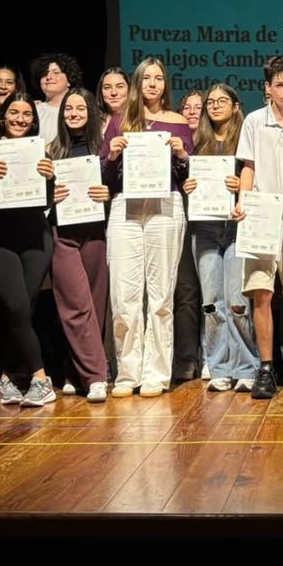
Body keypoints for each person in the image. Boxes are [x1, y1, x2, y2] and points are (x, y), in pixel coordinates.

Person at [101, 56, 193, 397]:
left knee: (161, 295)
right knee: (124, 295)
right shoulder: (120, 121)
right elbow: (104, 178)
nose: (152, 84)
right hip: (126, 206)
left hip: (165, 205)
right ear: (137, 84)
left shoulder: (178, 123)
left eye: (159, 78)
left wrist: (182, 156)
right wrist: (111, 155)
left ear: (165, 84)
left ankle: (156, 373)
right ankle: (127, 373)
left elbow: (191, 178)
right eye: (146, 78)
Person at [0, 92, 58, 407]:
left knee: (23, 310)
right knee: (15, 306)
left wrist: (49, 178)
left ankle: (6, 377)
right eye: (14, 113)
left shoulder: (40, 150)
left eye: (26, 114)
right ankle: (41, 379)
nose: (20, 119)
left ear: (33, 120)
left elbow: (46, 201)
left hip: (36, 236)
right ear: (3, 117)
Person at [238, 56, 283, 400]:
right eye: (279, 84)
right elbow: (248, 167)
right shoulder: (254, 121)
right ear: (267, 88)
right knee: (262, 293)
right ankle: (266, 367)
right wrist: (243, 201)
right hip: (261, 218)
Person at [183, 83, 256, 392]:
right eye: (210, 102)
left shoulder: (246, 141)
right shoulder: (197, 142)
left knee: (238, 302)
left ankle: (246, 367)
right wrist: (188, 186)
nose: (214, 106)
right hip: (205, 228)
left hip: (237, 228)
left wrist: (241, 186)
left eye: (221, 101)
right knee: (211, 303)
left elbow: (258, 179)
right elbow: (185, 180)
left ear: (236, 106)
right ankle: (218, 367)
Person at [48, 87, 111, 403]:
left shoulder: (104, 150)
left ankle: (76, 372)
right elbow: (35, 196)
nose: (73, 114)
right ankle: (97, 376)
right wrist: (49, 196)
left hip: (96, 231)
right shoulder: (50, 151)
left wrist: (108, 194)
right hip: (63, 233)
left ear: (91, 114)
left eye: (80, 109)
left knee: (96, 305)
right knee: (75, 305)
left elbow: (117, 187)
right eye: (69, 109)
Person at [172, 88, 205, 380]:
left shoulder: (213, 143)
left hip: (212, 223)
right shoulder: (170, 145)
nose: (193, 112)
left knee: (213, 293)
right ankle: (186, 358)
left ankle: (213, 356)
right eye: (187, 107)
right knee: (185, 291)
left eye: (199, 107)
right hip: (180, 218)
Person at [31, 53, 84, 144]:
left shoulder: (82, 111)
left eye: (56, 73)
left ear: (69, 80)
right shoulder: (33, 110)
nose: (49, 77)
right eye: (44, 74)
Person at [98, 66, 130, 134]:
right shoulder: (93, 122)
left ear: (129, 89)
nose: (114, 93)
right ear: (100, 92)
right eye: (107, 87)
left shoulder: (139, 119)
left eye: (120, 86)